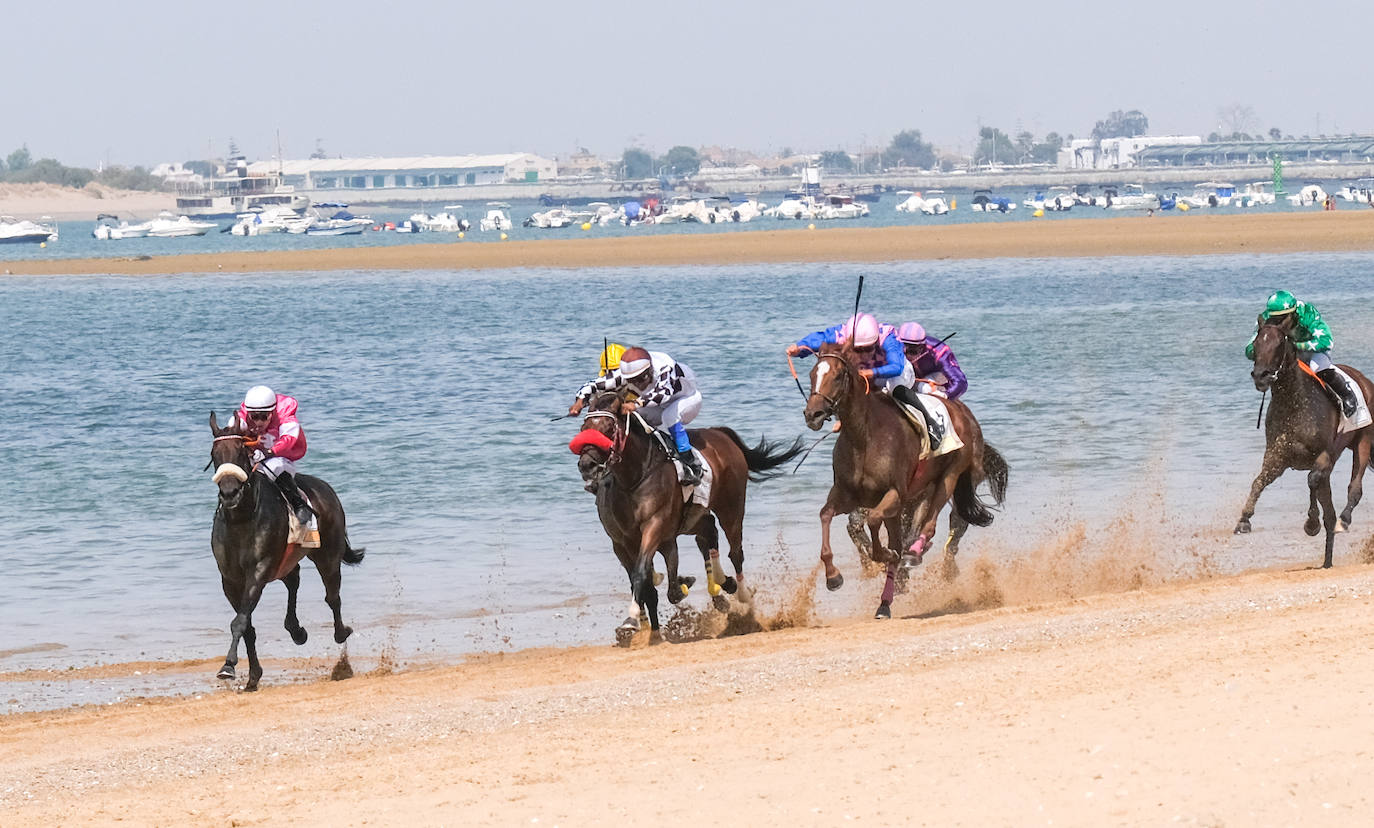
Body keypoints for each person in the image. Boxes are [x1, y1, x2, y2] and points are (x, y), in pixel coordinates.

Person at [569, 346, 704, 484]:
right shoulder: (625, 374)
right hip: (657, 404)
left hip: (687, 399)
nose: (637, 385)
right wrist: (579, 402)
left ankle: (691, 462)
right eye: (632, 381)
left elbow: (663, 394)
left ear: (649, 371)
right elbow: (592, 385)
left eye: (639, 380)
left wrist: (635, 403)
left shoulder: (665, 368)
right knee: (636, 418)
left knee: (668, 417)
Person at [1246, 290, 1358, 417]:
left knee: (1319, 367)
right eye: (1275, 318)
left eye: (1283, 317)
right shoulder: (1265, 319)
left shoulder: (1307, 313)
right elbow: (1249, 350)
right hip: (1288, 354)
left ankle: (1346, 395)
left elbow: (1326, 341)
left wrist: (1298, 346)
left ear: (1292, 313)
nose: (1278, 322)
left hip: (1314, 349)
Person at [236, 385, 315, 525]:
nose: (258, 422)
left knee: (275, 466)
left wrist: (269, 452)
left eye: (264, 417)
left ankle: (298, 504)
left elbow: (289, 439)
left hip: (282, 456)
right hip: (255, 457)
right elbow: (232, 432)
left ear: (272, 413)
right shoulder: (243, 417)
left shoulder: (284, 413)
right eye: (254, 417)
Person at [786, 312, 914, 395]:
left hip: (896, 374)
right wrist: (798, 349)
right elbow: (816, 340)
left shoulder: (888, 338)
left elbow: (896, 367)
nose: (863, 355)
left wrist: (870, 373)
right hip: (863, 373)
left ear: (876, 342)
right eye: (858, 350)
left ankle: (927, 421)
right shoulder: (841, 335)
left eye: (868, 349)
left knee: (895, 386)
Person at [891, 322, 967, 445]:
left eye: (912, 351)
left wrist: (945, 396)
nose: (907, 355)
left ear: (922, 347)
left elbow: (961, 382)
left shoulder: (939, 351)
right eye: (903, 350)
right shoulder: (890, 344)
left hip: (934, 378)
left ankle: (933, 427)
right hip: (909, 377)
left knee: (924, 388)